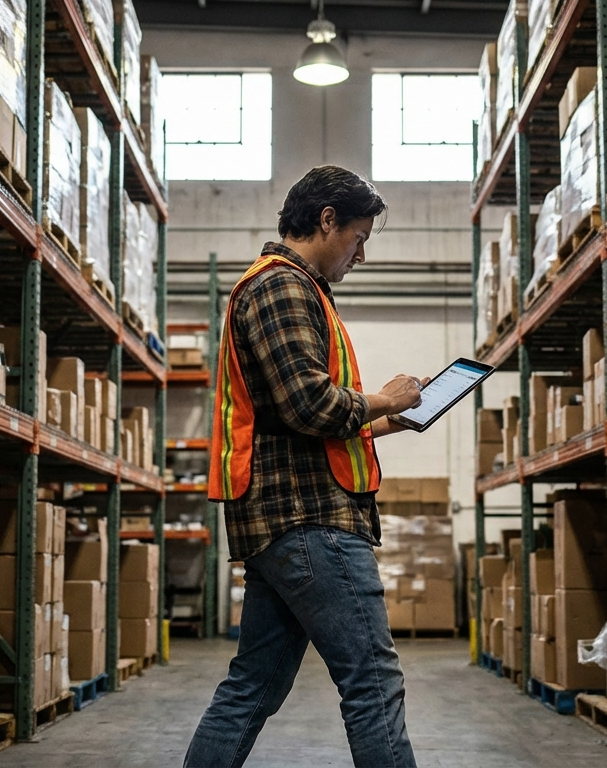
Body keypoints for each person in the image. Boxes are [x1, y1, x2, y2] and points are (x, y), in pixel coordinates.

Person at [184, 166, 424, 768]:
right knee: (372, 684)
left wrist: (385, 420)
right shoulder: (280, 287)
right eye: (359, 237)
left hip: (287, 525)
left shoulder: (296, 289)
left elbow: (295, 415)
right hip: (308, 521)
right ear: (326, 221)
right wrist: (386, 398)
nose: (361, 255)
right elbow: (309, 403)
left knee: (252, 688)